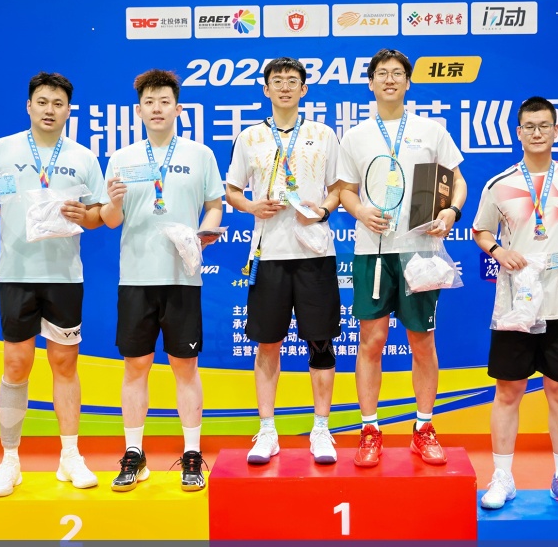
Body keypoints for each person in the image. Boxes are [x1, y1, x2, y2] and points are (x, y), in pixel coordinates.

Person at [0, 72, 104, 497]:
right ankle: (10, 461)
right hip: (16, 273)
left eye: (58, 103)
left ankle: (70, 456)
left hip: (64, 276)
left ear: (68, 110)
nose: (50, 110)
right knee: (15, 364)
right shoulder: (2, 149)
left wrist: (87, 216)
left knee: (65, 365)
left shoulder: (83, 157)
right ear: (29, 106)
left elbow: (98, 214)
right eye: (42, 102)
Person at [337, 48, 466, 468]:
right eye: (381, 73)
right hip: (372, 251)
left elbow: (457, 181)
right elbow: (345, 190)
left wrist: (451, 211)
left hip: (420, 250)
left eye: (397, 73)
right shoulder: (355, 136)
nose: (389, 79)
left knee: (422, 341)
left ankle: (423, 428)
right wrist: (360, 212)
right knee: (371, 341)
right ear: (370, 83)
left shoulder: (431, 131)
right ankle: (369, 430)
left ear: (408, 83)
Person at [100, 69, 223, 492]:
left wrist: (205, 231)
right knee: (136, 366)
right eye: (149, 102)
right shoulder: (122, 158)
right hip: (136, 277)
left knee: (185, 366)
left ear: (178, 108)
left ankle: (192, 453)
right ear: (139, 111)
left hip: (183, 277)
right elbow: (111, 220)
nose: (157, 109)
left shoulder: (200, 154)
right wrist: (112, 203)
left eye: (164, 101)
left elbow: (214, 204)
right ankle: (134, 454)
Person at [472, 96, 558, 512]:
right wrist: (498, 251)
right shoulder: (500, 183)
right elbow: (480, 230)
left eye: (545, 125)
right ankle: (502, 477)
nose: (537, 132)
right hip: (516, 308)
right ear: (519, 132)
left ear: (556, 130)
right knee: (508, 391)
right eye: (530, 126)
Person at [226, 57, 341, 464]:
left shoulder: (323, 134)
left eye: (293, 81)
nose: (286, 87)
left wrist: (322, 211)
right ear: (266, 89)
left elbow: (339, 188)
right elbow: (232, 190)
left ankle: (321, 429)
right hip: (269, 253)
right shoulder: (250, 137)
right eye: (278, 81)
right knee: (267, 342)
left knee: (321, 342)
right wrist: (251, 206)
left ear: (304, 89)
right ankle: (267, 430)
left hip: (314, 253)